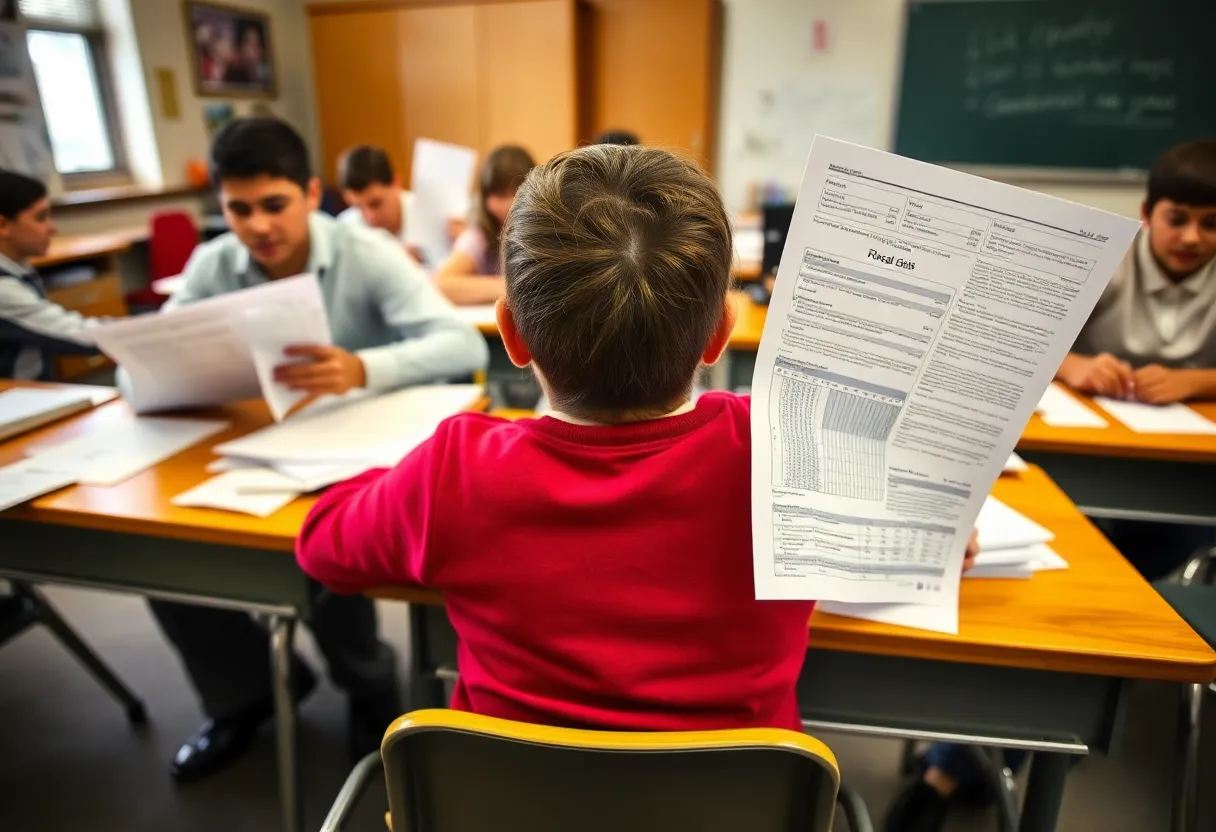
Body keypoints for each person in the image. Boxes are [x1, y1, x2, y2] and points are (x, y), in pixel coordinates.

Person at [297, 144, 980, 733]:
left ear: (510, 332)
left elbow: (323, 546)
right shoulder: (790, 454)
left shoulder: (455, 471)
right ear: (719, 335)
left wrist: (393, 479)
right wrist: (941, 524)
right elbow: (927, 536)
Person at [144, 117, 488, 783]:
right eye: (238, 210)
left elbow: (462, 344)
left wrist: (363, 367)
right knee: (163, 554)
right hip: (251, 446)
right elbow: (149, 360)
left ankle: (367, 687)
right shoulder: (215, 263)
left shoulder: (365, 252)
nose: (258, 226)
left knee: (332, 568)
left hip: (348, 451)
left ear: (309, 193)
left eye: (274, 205)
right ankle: (241, 694)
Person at [887, 138, 1216, 832]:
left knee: (1126, 600)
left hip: (1184, 495)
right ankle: (974, 758)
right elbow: (1012, 335)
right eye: (1177, 218)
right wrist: (1071, 365)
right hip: (1076, 470)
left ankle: (957, 766)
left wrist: (1201, 379)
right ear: (1146, 214)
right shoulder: (1103, 261)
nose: (1193, 237)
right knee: (1047, 590)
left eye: (1211, 223)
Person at [0, 170, 113, 379]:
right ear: (3, 225)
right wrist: (144, 332)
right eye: (40, 218)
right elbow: (77, 334)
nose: (53, 228)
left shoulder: (18, 266)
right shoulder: (3, 288)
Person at [433, 145, 535, 305]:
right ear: (485, 198)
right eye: (500, 195)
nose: (509, 204)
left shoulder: (544, 230)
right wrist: (512, 287)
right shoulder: (478, 235)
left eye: (516, 192)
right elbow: (442, 282)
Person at [335, 145, 423, 262]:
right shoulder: (345, 230)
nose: (370, 217)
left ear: (396, 183)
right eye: (358, 207)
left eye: (376, 204)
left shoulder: (430, 215)